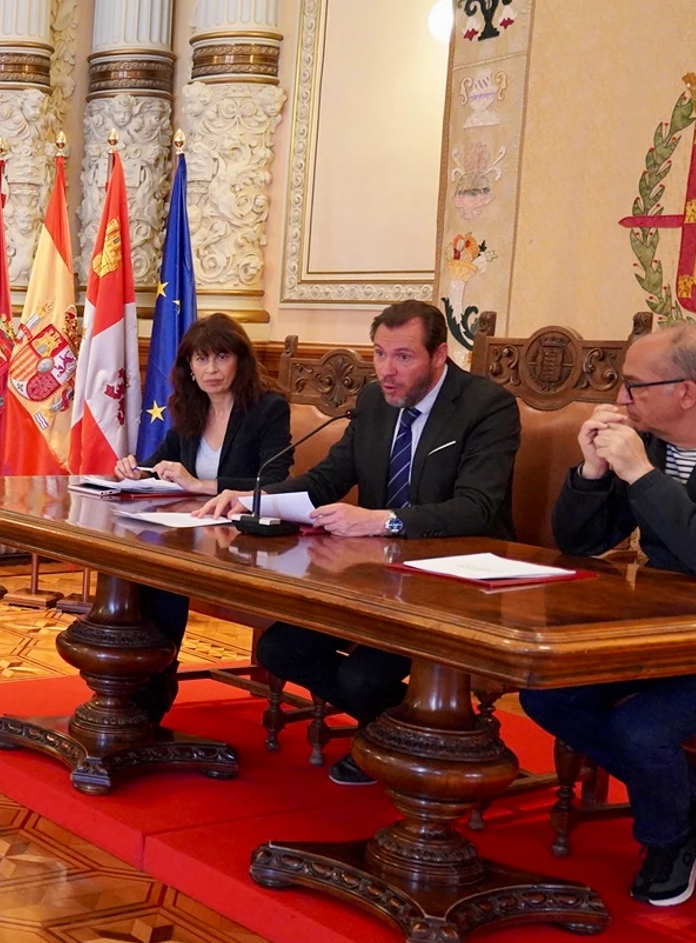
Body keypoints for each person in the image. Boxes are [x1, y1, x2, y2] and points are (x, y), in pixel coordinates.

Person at [195, 299, 520, 784]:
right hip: (374, 573)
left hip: (456, 576)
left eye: (403, 357)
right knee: (280, 649)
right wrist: (252, 498)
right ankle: (395, 735)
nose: (387, 371)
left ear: (438, 355)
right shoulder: (374, 400)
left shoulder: (486, 406)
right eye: (379, 354)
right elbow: (328, 478)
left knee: (363, 675)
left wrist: (383, 520)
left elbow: (478, 508)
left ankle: (399, 742)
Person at [520, 324, 696, 907]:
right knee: (548, 694)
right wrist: (592, 474)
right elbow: (577, 542)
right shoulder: (653, 440)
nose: (621, 400)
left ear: (688, 392)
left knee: (640, 728)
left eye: (633, 386)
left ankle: (669, 838)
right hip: (670, 627)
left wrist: (642, 477)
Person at [113, 313, 291, 720]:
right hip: (195, 532)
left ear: (240, 361)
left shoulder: (268, 408)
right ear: (189, 368)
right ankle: (132, 680)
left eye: (221, 357)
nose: (211, 370)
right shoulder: (190, 408)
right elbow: (158, 465)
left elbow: (273, 481)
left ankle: (153, 688)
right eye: (201, 359)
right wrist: (133, 470)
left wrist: (197, 485)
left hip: (244, 541)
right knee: (140, 569)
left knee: (165, 576)